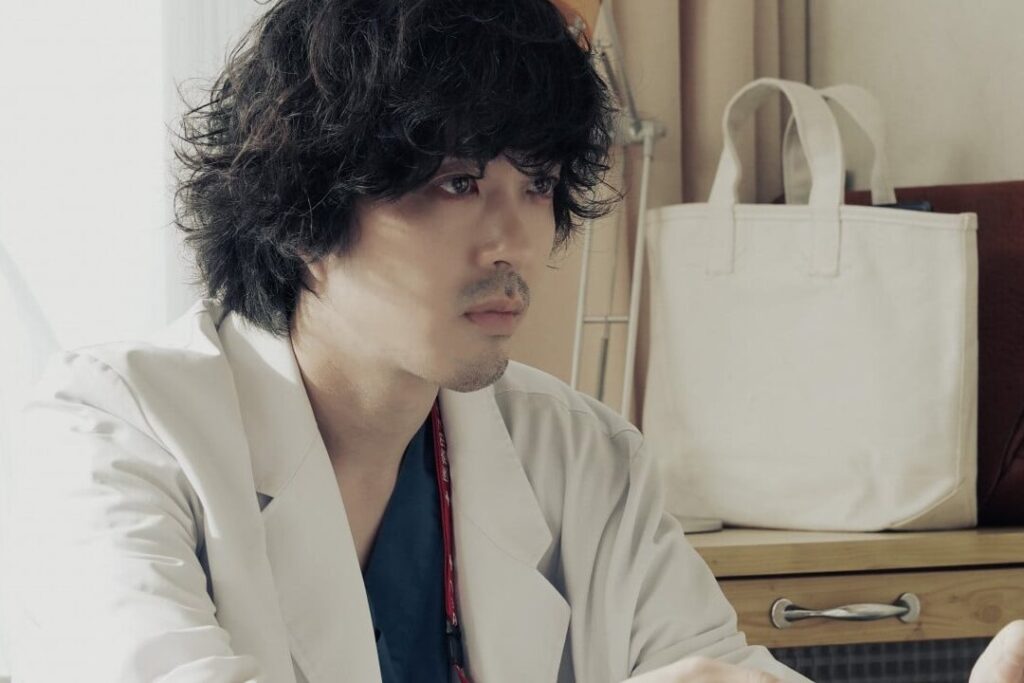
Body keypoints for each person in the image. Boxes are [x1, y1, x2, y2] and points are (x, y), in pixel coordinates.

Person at [4, 1, 1022, 681]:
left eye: (535, 183)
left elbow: (705, 669)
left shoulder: (578, 450)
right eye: (457, 183)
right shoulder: (110, 431)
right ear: (304, 211)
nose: (516, 241)